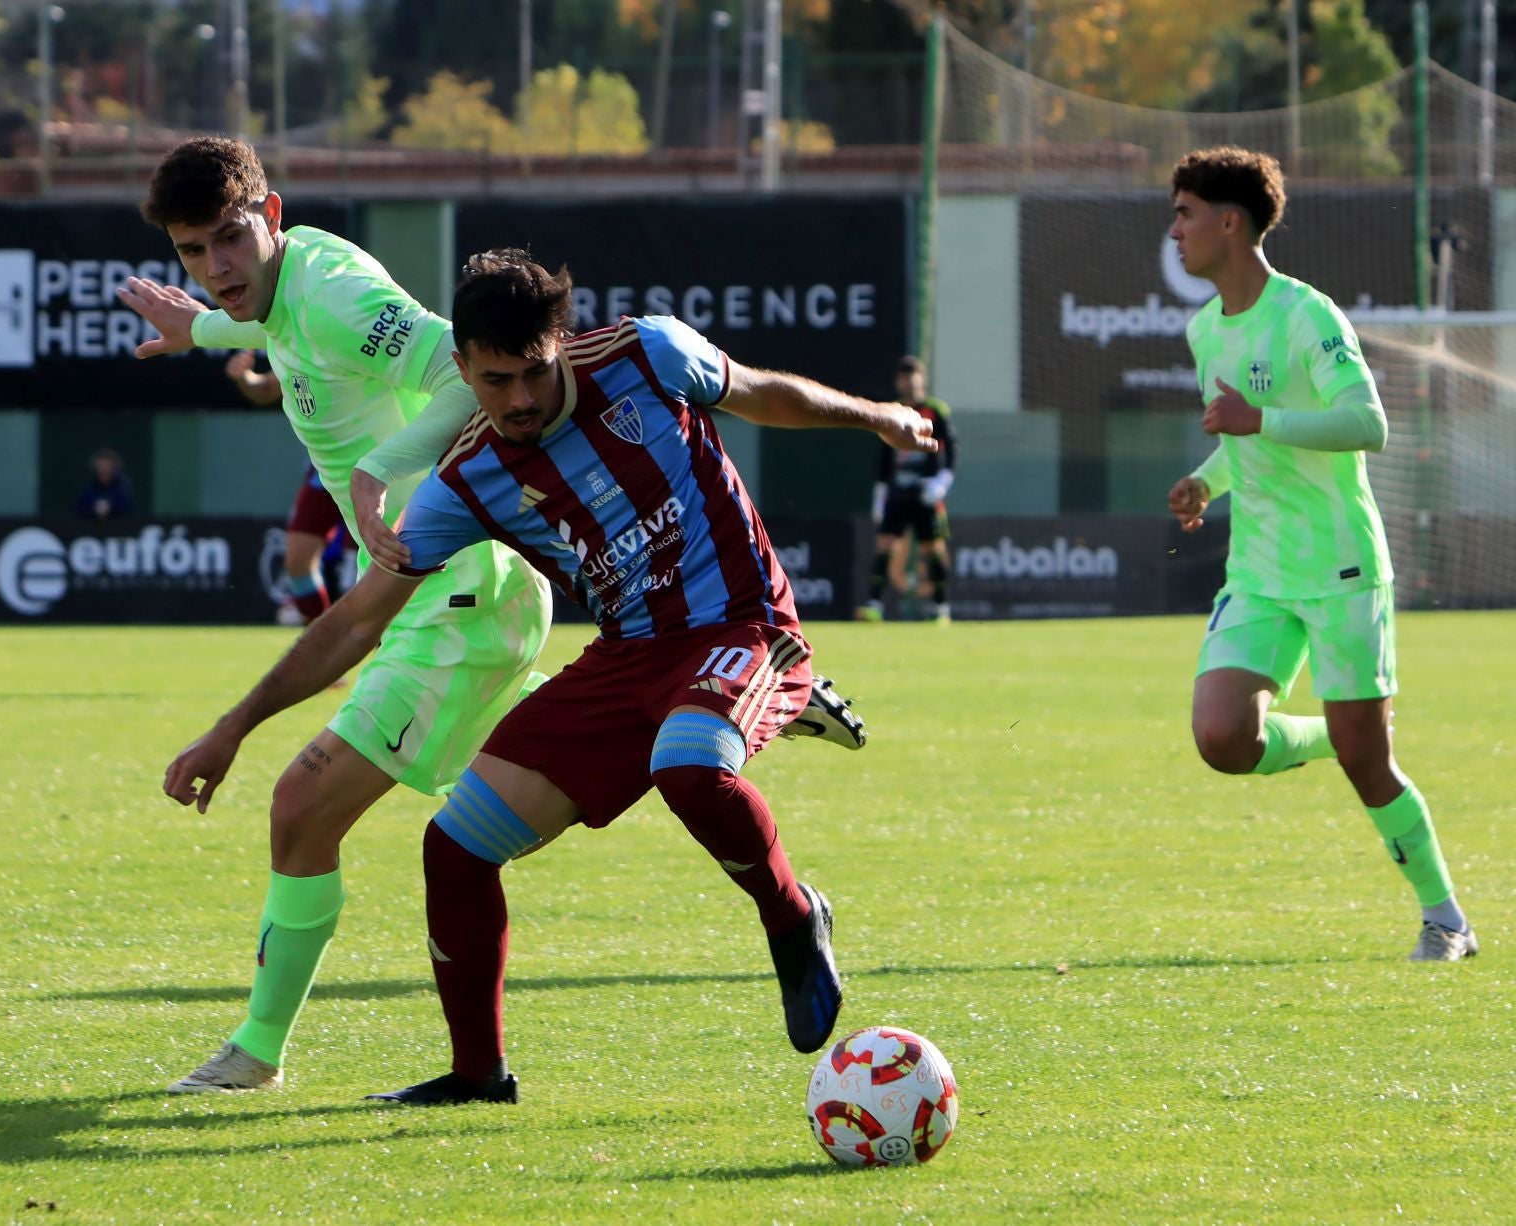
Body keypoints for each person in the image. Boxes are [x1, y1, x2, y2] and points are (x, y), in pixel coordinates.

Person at [166, 249, 937, 1106]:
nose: (520, 400)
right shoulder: (466, 478)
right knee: (454, 847)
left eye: (534, 372)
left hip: (742, 621)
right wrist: (233, 726)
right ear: (461, 369)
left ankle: (794, 916)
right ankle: (476, 1075)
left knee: (687, 765)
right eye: (494, 381)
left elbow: (760, 392)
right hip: (623, 660)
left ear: (561, 344)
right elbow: (356, 621)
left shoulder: (645, 353)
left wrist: (876, 418)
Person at [117, 136, 556, 1095]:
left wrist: (378, 470)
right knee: (492, 802)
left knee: (300, 808)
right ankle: (698, 695)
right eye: (194, 251)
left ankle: (256, 1054)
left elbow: (463, 368)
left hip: (457, 588)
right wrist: (201, 332)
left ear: (271, 216)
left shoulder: (335, 292)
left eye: (230, 238)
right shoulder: (283, 297)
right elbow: (271, 327)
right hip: (440, 591)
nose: (216, 267)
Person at [1162, 146, 1476, 963]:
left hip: (1340, 567)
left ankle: (1446, 918)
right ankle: (1337, 734)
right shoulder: (1204, 330)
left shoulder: (1308, 315)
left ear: (1231, 223)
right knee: (1220, 737)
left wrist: (1256, 423)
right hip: (1259, 571)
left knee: (1372, 767)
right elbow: (1240, 438)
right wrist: (1205, 481)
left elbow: (1367, 424)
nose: (1176, 231)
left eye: (1187, 213)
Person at [226, 349, 347, 625]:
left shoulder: (355, 335)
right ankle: (322, 653)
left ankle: (387, 658)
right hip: (324, 473)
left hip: (376, 467)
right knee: (298, 564)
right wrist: (245, 378)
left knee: (365, 572)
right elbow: (266, 389)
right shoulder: (300, 347)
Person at [860, 356, 958, 623]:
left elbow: (951, 448)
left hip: (926, 493)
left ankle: (941, 609)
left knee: (932, 549)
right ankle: (873, 605)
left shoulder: (936, 411)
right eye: (904, 379)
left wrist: (942, 482)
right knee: (886, 545)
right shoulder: (894, 411)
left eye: (913, 379)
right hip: (897, 494)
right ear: (898, 382)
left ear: (921, 381)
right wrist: (880, 493)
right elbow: (884, 456)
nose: (909, 385)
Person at [75, 448, 135, 519]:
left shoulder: (123, 487)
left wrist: (110, 508)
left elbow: (127, 508)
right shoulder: (89, 487)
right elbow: (79, 507)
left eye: (107, 466)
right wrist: (94, 509)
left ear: (114, 468)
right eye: (101, 466)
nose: (104, 469)